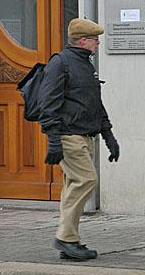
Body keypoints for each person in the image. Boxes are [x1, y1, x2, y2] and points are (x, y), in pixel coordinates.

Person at [38, 18, 119, 261]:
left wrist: (108, 135)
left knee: (73, 186)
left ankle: (71, 241)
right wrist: (54, 140)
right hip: (68, 135)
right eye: (95, 41)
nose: (97, 45)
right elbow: (47, 103)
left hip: (85, 135)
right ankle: (64, 237)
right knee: (86, 180)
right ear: (83, 41)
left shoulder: (85, 65)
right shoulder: (60, 63)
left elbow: (95, 103)